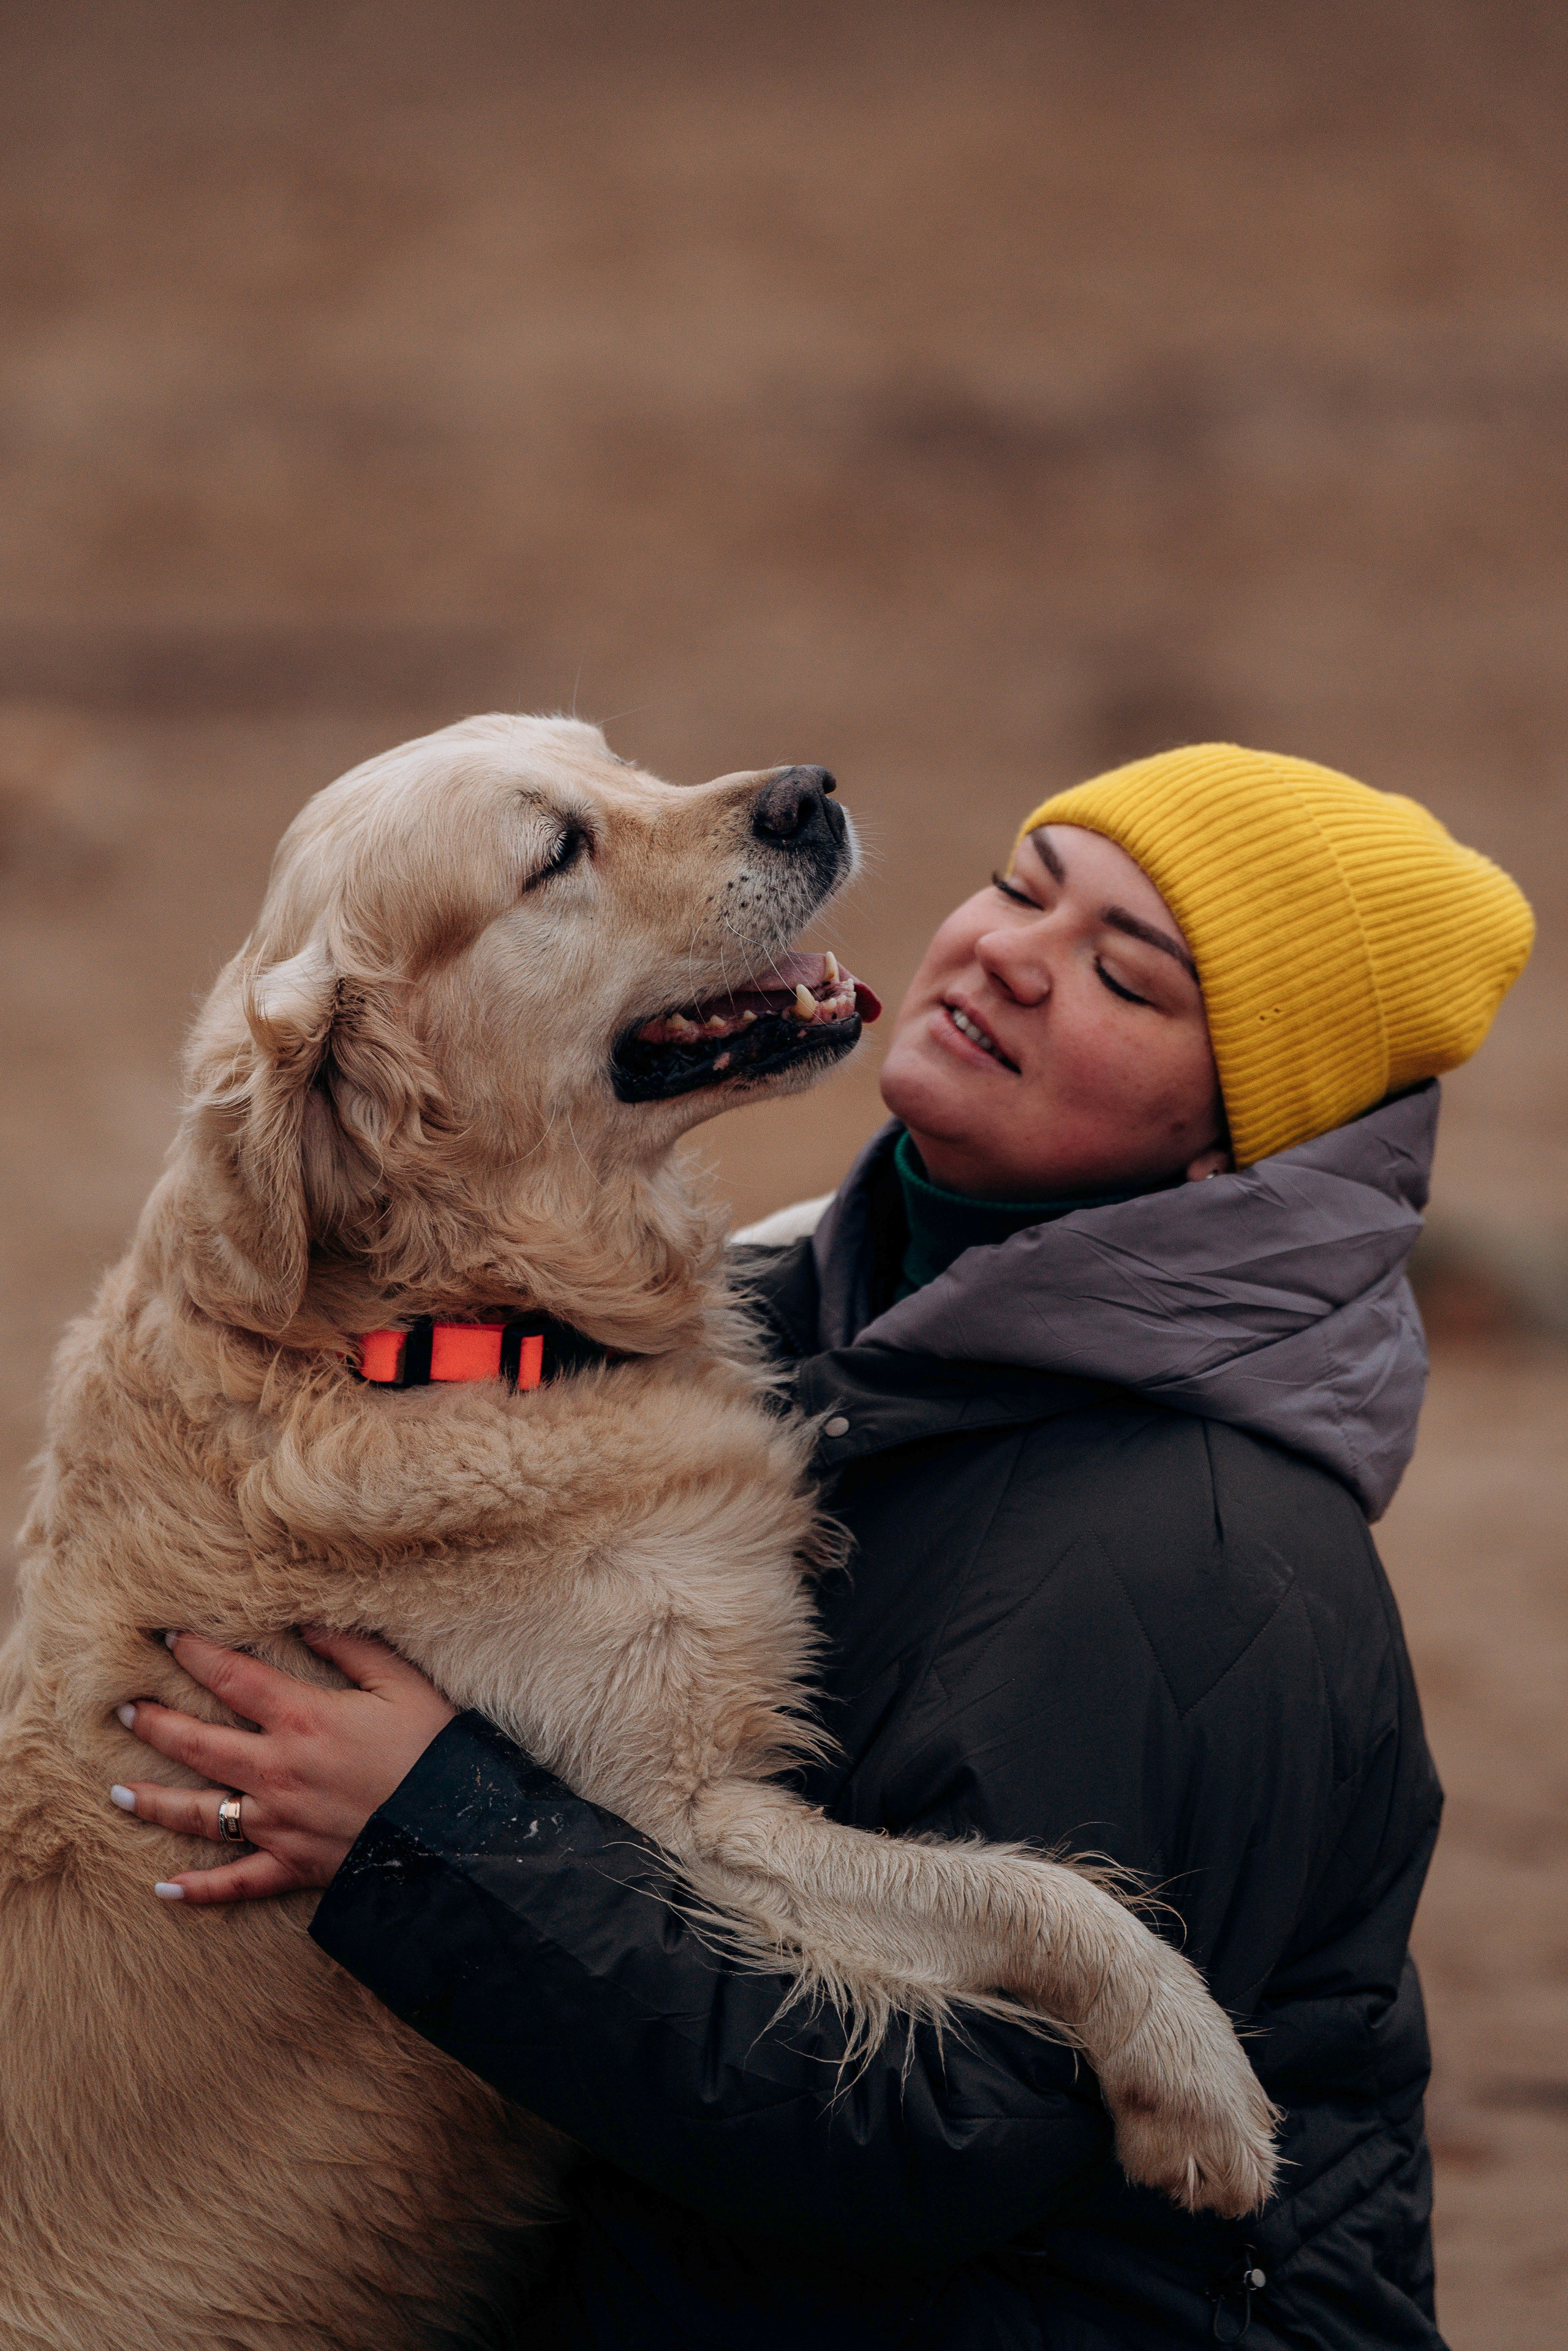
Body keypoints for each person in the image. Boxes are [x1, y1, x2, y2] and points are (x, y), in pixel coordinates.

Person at [115, 744, 1533, 2350]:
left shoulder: (1196, 1552)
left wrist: (428, 1837)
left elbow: (932, 2141)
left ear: (1232, 1147)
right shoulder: (786, 1309)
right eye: (1023, 886)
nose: (1009, 951)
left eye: (1121, 980)